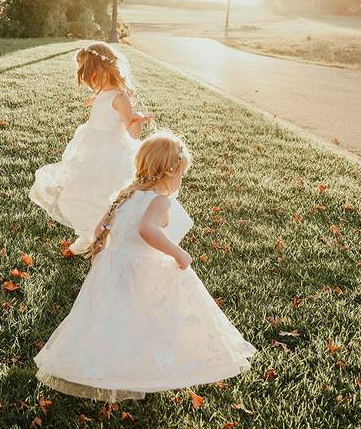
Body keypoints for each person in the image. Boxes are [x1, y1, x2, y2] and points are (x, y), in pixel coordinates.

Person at [34, 131, 256, 402]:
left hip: (113, 265)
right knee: (150, 311)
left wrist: (105, 256)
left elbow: (98, 228)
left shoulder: (125, 194)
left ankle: (108, 360)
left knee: (114, 316)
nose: (181, 181)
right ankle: (147, 363)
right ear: (170, 173)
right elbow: (147, 230)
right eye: (181, 175)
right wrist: (178, 253)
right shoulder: (159, 200)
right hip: (139, 267)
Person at [30, 42, 150, 254]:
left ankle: (105, 235)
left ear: (102, 70)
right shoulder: (103, 92)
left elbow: (132, 133)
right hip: (92, 153)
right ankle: (88, 233)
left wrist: (137, 121)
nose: (86, 80)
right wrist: (96, 99)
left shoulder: (120, 97)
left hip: (112, 155)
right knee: (77, 192)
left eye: (89, 74)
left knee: (107, 196)